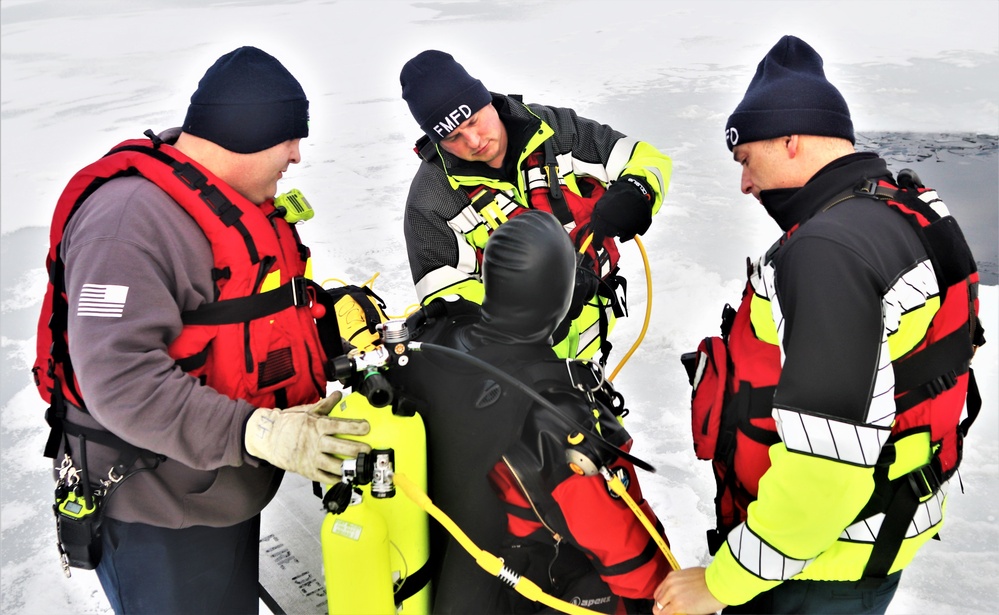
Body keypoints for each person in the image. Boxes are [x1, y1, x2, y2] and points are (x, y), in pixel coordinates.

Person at [653, 36, 984, 615]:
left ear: (790, 138)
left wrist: (721, 584)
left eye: (745, 160)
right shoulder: (901, 207)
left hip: (817, 566)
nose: (744, 185)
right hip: (873, 535)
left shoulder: (827, 251)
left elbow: (828, 468)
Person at [33, 46, 371, 614]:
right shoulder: (127, 223)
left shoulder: (222, 197)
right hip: (155, 511)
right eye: (288, 138)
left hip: (216, 489)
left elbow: (233, 317)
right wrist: (258, 432)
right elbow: (120, 383)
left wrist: (325, 323)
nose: (296, 155)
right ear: (244, 133)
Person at [385, 210, 673, 614]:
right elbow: (637, 565)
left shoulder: (432, 336)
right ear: (562, 297)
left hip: (433, 571)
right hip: (512, 592)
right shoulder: (554, 414)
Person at [399, 50, 673, 363]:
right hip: (519, 365)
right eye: (453, 136)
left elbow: (647, 160)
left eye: (473, 121)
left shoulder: (555, 129)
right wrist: (530, 318)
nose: (473, 141)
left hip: (593, 340)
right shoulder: (429, 202)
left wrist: (637, 191)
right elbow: (450, 308)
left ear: (485, 98)